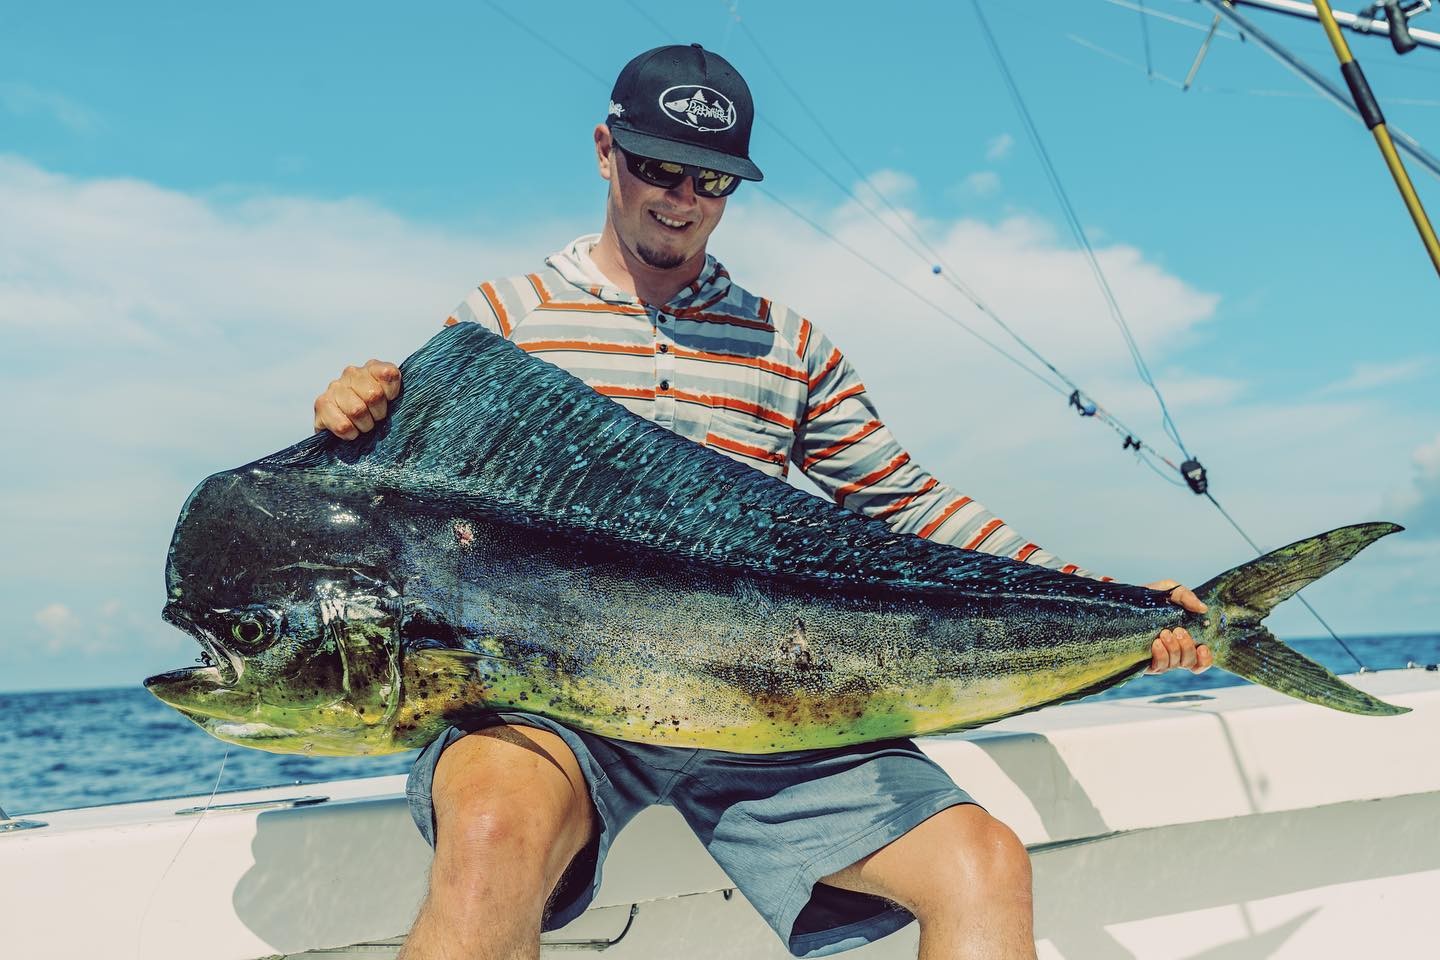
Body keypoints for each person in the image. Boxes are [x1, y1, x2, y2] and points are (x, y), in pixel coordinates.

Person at [313, 43, 1211, 960]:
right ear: (603, 150)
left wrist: (1108, 601)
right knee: (493, 836)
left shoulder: (787, 342)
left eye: (710, 179)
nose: (680, 198)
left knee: (984, 866)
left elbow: (905, 502)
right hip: (554, 701)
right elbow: (393, 496)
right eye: (657, 167)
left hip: (762, 700)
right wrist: (353, 413)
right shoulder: (502, 319)